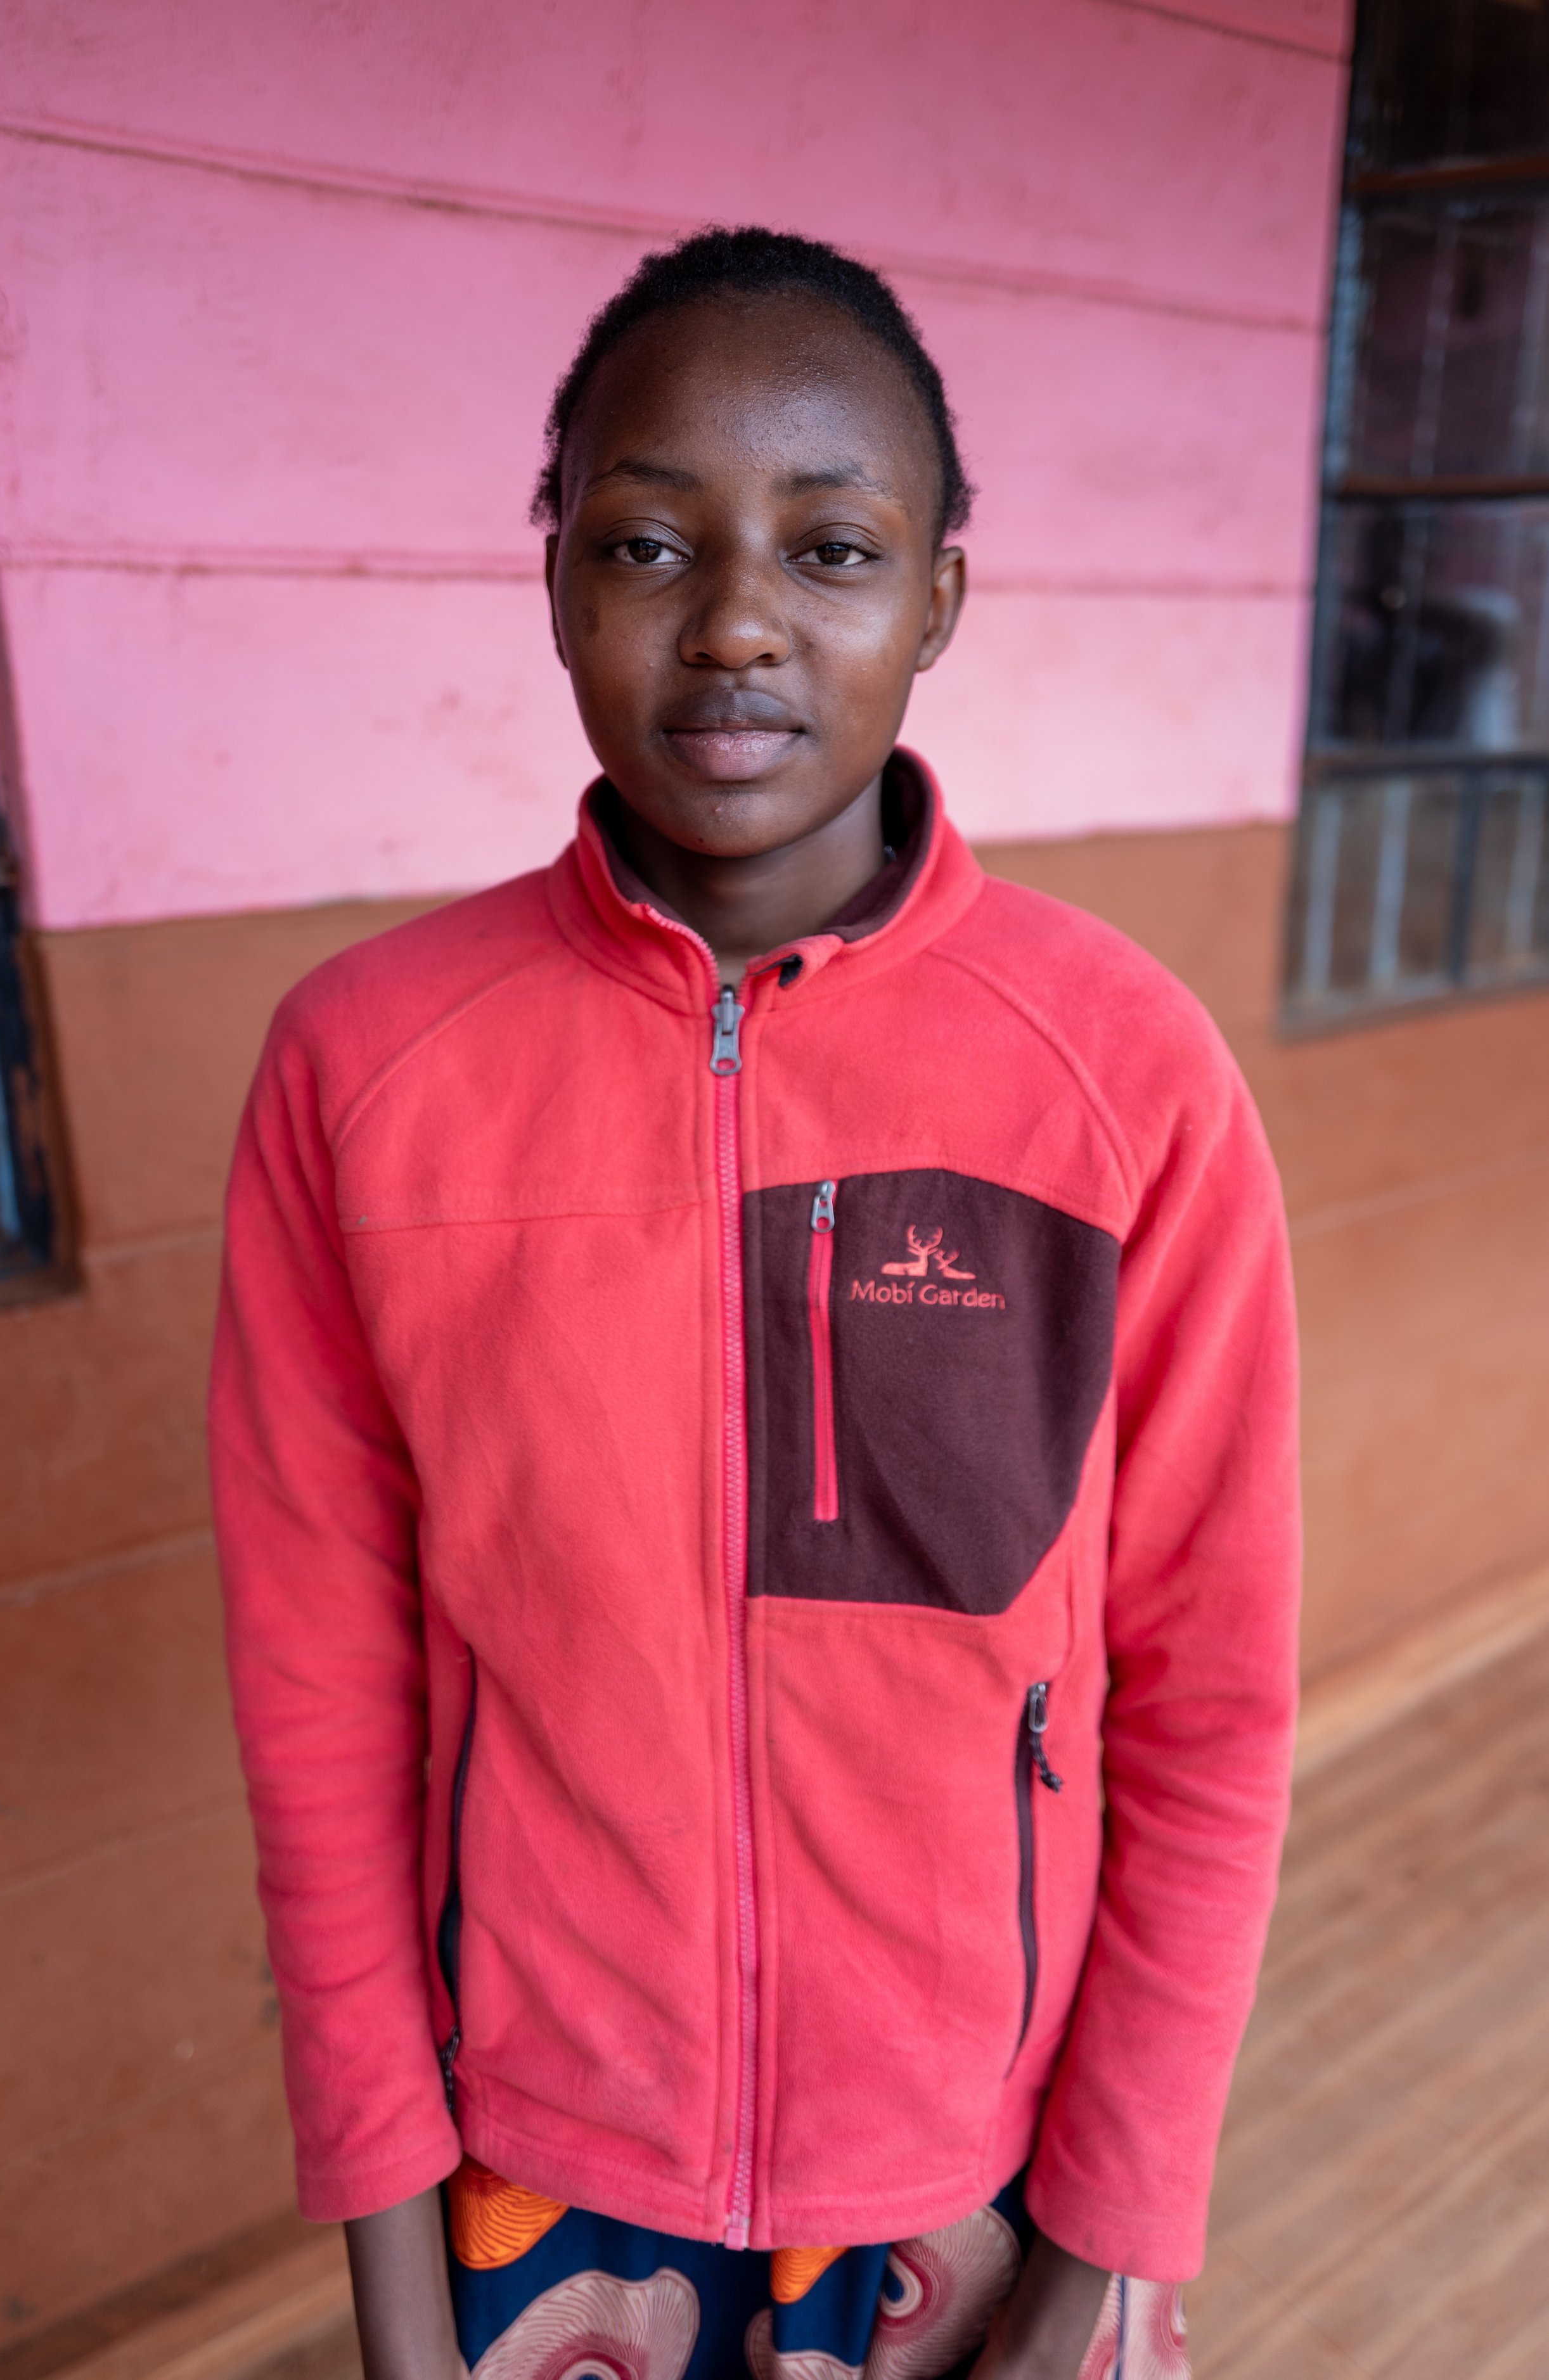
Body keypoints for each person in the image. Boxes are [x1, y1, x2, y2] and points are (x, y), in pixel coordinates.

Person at [210, 227, 1299, 2380]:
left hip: (984, 2182)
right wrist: (398, 2294)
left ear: (939, 599)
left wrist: (1091, 2259)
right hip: (539, 2176)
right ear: (551, 577)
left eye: (830, 548)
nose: (732, 622)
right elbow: (319, 1700)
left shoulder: (1122, 1076)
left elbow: (1211, 1700)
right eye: (644, 542)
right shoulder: (366, 1069)